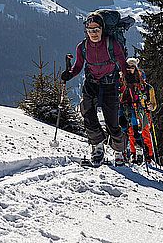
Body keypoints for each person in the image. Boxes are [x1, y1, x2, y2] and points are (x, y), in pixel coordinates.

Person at [61, 12, 128, 166]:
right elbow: (78, 66)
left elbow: (122, 62)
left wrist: (127, 76)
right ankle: (98, 146)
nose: (94, 33)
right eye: (90, 30)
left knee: (112, 120)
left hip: (110, 83)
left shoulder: (112, 44)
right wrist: (69, 74)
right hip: (91, 82)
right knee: (87, 112)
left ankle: (119, 151)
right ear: (86, 31)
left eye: (96, 29)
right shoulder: (82, 47)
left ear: (102, 29)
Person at [119, 58, 157, 164]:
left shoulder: (146, 87)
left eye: (132, 67)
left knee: (145, 133)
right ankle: (134, 154)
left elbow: (154, 104)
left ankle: (149, 156)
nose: (130, 69)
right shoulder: (123, 82)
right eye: (128, 67)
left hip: (143, 112)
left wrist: (151, 106)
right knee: (131, 132)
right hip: (130, 110)